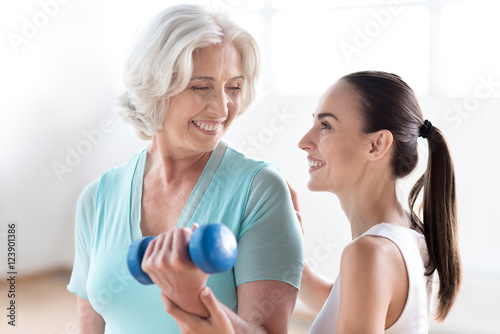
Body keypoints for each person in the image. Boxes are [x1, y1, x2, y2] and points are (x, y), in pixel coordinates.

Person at [66, 4, 303, 334]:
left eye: (233, 87)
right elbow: (90, 326)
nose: (222, 108)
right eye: (200, 86)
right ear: (155, 88)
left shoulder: (259, 190)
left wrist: (193, 298)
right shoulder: (98, 198)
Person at [167, 71, 462, 333]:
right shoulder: (408, 237)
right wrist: (294, 261)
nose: (304, 141)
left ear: (377, 144)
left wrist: (209, 313)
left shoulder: (368, 253)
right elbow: (353, 302)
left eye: (326, 126)